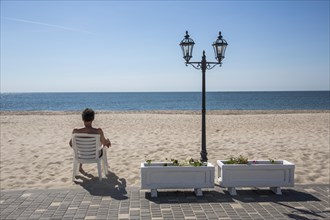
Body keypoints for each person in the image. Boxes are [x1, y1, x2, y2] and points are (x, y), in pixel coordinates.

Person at [69, 108, 111, 173]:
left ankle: (80, 166)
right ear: (93, 119)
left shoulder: (76, 131)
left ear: (82, 119)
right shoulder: (98, 131)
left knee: (83, 147)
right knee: (104, 146)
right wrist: (108, 142)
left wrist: (80, 148)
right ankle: (106, 168)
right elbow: (104, 143)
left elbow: (71, 144)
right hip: (95, 155)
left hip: (81, 155)